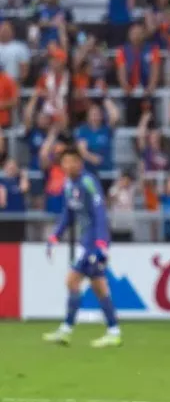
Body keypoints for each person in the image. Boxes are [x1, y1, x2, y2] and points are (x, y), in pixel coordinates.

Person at [41, 147, 122, 348]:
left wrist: (101, 244)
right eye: (64, 162)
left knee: (72, 280)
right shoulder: (69, 184)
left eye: (71, 161)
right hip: (86, 240)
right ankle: (113, 331)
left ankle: (67, 330)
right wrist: (55, 235)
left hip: (93, 241)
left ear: (79, 162)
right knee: (98, 285)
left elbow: (100, 212)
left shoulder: (88, 181)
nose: (67, 165)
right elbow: (68, 214)